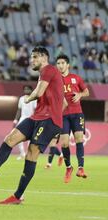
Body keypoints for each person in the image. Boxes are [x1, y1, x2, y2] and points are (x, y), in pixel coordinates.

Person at [0, 46, 66, 204]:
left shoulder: (48, 69)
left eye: (34, 57)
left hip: (49, 121)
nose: (31, 60)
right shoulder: (49, 75)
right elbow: (63, 102)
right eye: (31, 57)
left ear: (44, 57)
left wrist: (30, 99)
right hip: (37, 117)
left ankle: (18, 196)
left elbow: (39, 93)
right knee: (10, 139)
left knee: (31, 153)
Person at [55, 54, 89, 183]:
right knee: (64, 143)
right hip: (63, 115)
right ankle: (69, 167)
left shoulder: (76, 78)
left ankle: (81, 168)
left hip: (77, 113)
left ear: (68, 65)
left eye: (62, 63)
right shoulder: (54, 80)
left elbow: (87, 92)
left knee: (79, 138)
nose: (60, 65)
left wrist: (80, 94)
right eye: (58, 63)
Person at [13, 85, 37, 160]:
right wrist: (16, 119)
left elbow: (35, 110)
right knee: (18, 136)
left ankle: (28, 154)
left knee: (30, 138)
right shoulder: (21, 99)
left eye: (28, 89)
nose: (26, 91)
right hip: (22, 119)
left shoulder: (34, 99)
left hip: (31, 119)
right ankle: (22, 153)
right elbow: (19, 109)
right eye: (25, 89)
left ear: (31, 90)